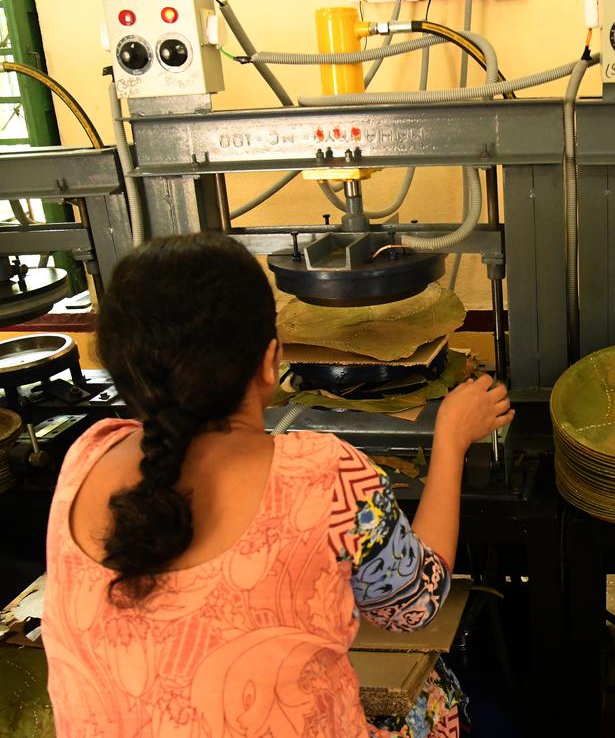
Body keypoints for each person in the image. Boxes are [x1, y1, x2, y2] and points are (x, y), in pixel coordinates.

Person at [41, 233, 513, 737]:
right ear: (271, 361)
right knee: (433, 691)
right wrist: (452, 440)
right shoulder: (325, 476)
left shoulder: (86, 456)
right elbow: (418, 605)